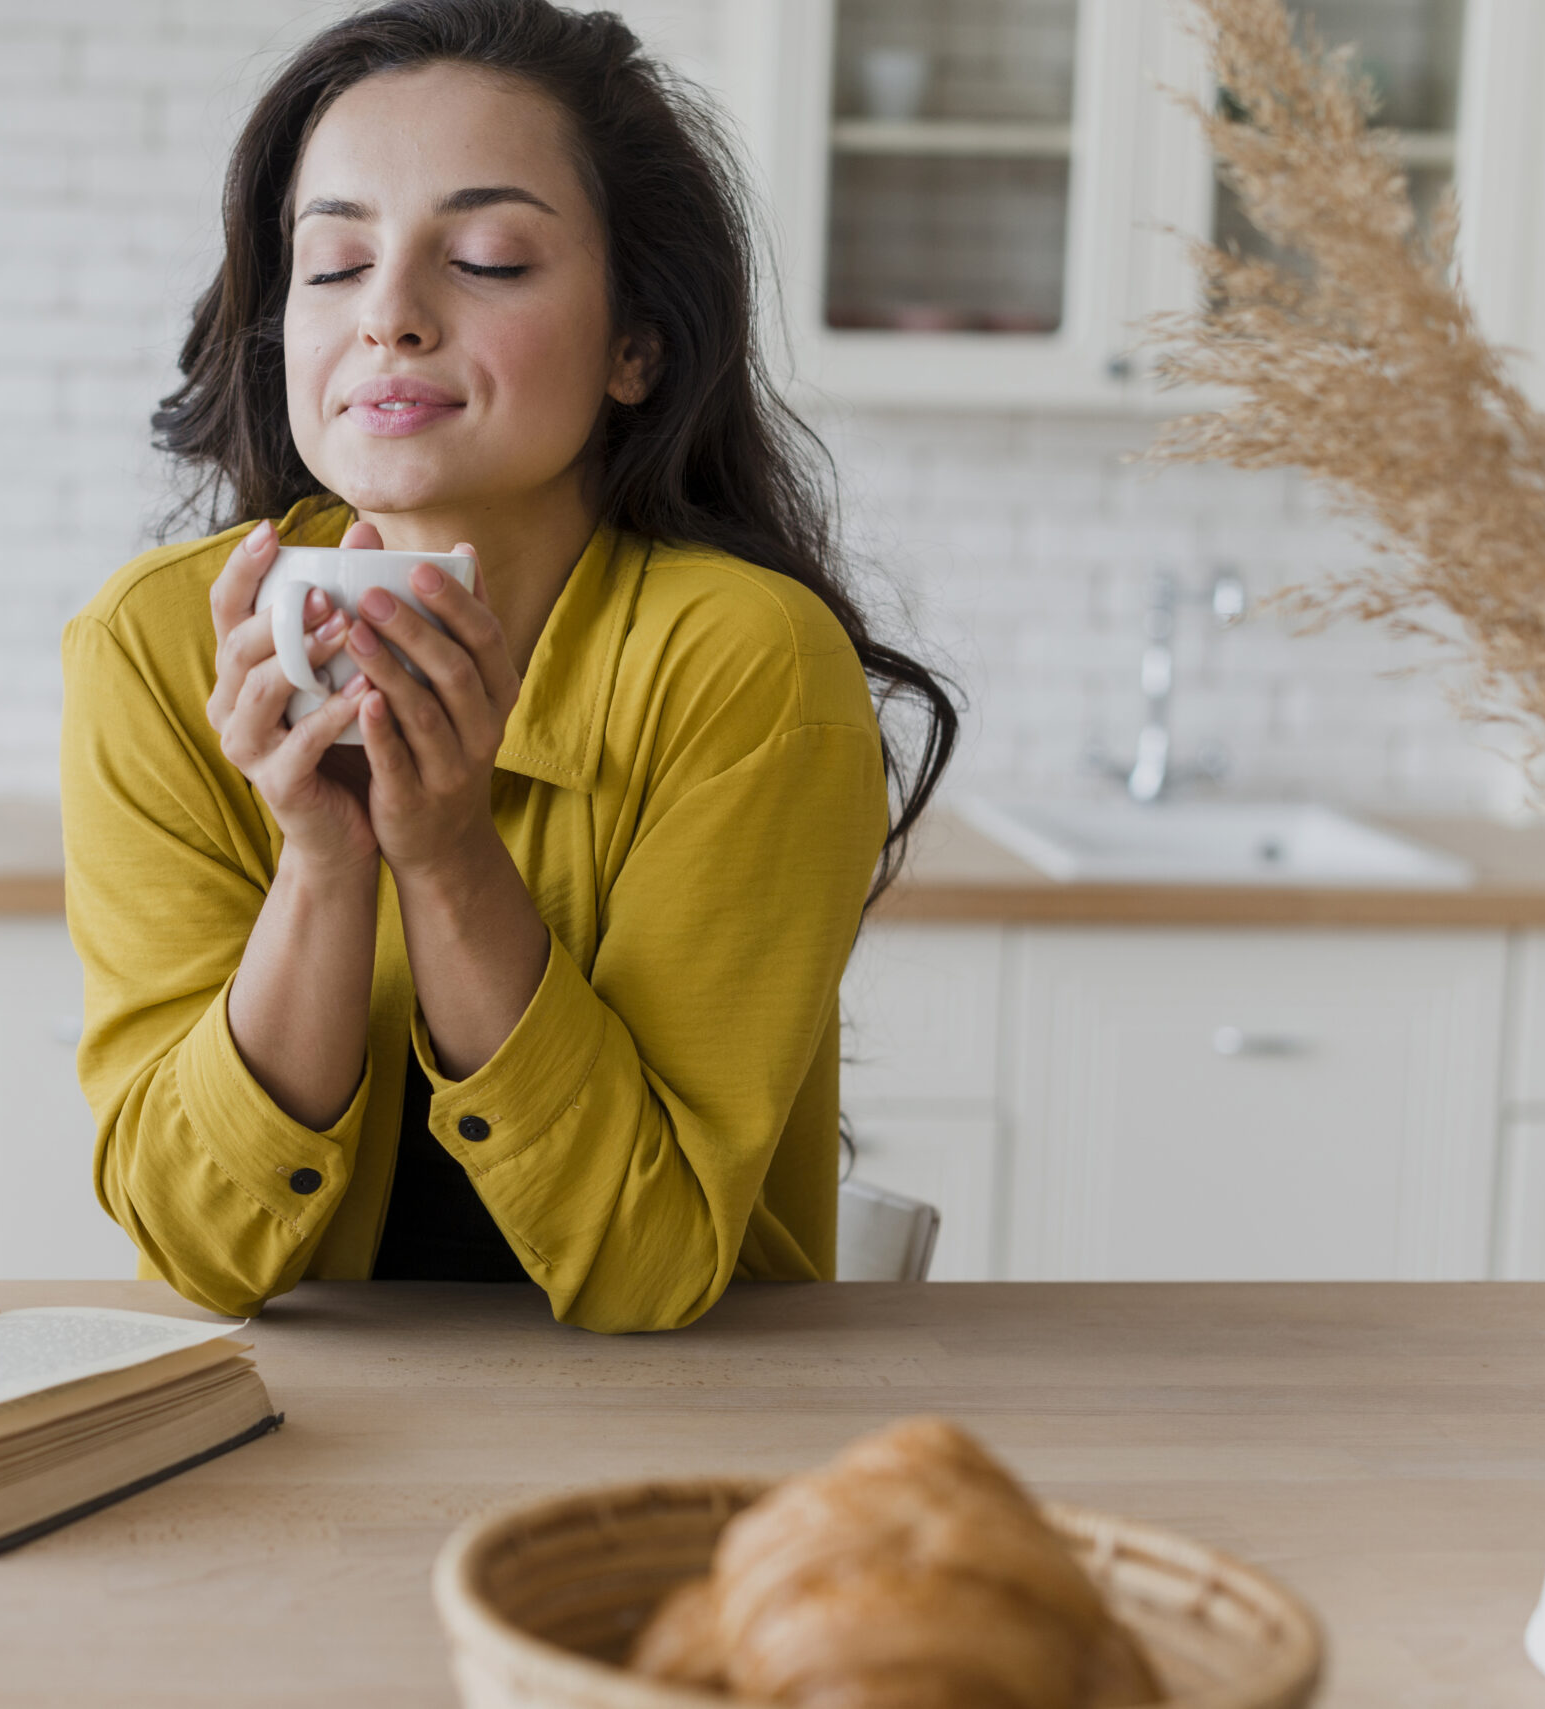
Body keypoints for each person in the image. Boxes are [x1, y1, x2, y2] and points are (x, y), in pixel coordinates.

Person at [59, 0, 955, 1332]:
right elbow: (201, 1250)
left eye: (484, 258)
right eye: (335, 262)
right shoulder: (154, 646)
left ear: (636, 346)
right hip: (286, 1446)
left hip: (664, 1449)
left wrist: (448, 853)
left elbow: (650, 1265)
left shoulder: (745, 668)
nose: (391, 317)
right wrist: (321, 863)